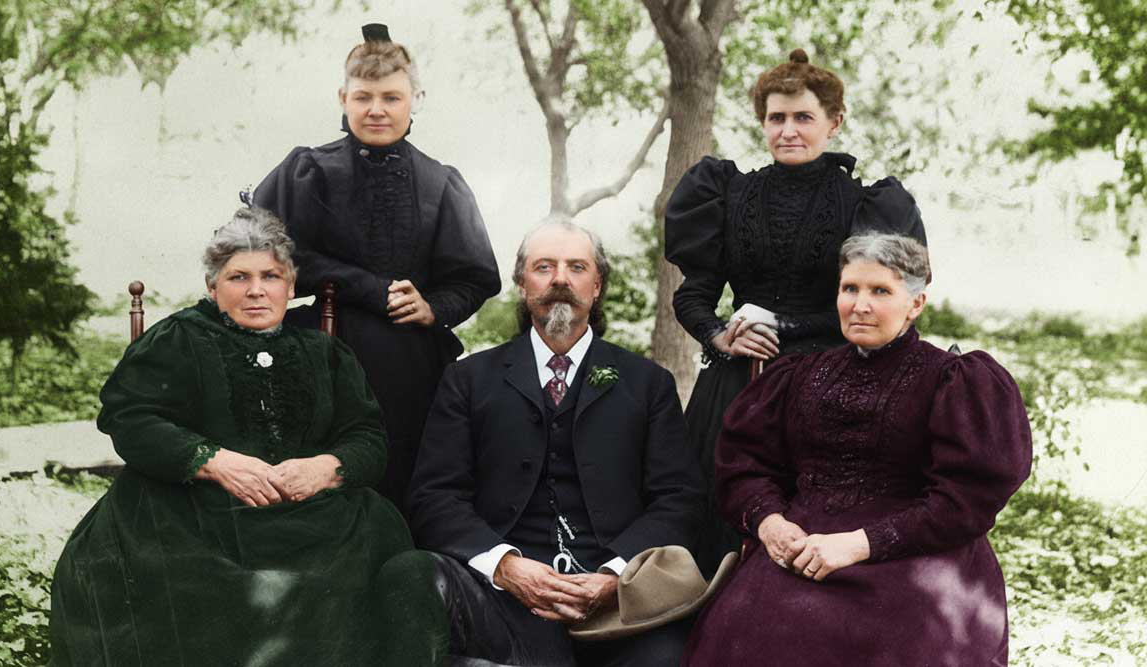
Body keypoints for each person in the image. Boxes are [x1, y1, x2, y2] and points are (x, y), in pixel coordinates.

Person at [49, 209, 445, 667]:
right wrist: (212, 461)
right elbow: (130, 418)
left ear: (291, 286)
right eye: (238, 277)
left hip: (313, 516)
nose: (256, 290)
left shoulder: (324, 352)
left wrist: (327, 468)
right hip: (189, 514)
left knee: (371, 565)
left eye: (271, 276)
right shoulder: (177, 338)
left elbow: (367, 435)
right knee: (199, 590)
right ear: (213, 287)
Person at [682, 232, 1033, 666]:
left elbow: (965, 501)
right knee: (750, 630)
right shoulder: (799, 375)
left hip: (914, 558)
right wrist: (771, 524)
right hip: (801, 550)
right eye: (850, 289)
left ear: (916, 304)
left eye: (880, 291)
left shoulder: (953, 381)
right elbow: (746, 466)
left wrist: (859, 544)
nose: (860, 305)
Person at [664, 48, 927, 575]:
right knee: (714, 525)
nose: (789, 130)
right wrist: (720, 336)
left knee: (811, 531)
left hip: (829, 386)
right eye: (776, 118)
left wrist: (783, 326)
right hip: (737, 385)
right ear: (762, 122)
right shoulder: (727, 192)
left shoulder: (867, 205)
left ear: (834, 122)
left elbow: (872, 310)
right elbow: (693, 294)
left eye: (803, 117)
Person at [408, 222, 704, 666]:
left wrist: (614, 575)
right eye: (544, 267)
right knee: (413, 577)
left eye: (577, 267)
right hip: (501, 600)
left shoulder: (648, 385)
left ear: (597, 285)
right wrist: (505, 567)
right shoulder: (468, 381)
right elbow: (434, 495)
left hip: (618, 609)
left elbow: (679, 499)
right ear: (522, 283)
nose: (560, 279)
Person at [253, 24, 501, 516]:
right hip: (318, 348)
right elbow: (265, 258)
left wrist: (433, 309)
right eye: (363, 97)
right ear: (343, 97)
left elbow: (476, 277)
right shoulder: (307, 170)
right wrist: (366, 286)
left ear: (416, 99)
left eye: (391, 97)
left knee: (402, 477)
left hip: (408, 366)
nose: (376, 110)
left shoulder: (442, 183)